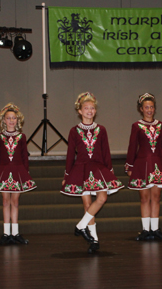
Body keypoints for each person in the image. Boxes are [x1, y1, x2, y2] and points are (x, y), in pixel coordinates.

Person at [61, 92, 124, 254]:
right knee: (88, 205)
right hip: (81, 169)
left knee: (102, 198)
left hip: (98, 169)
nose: (89, 110)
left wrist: (110, 170)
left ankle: (80, 226)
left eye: (92, 108)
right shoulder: (74, 131)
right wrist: (67, 175)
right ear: (80, 111)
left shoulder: (101, 129)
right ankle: (94, 240)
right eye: (86, 108)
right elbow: (70, 155)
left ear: (95, 111)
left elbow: (105, 152)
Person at [125, 93, 162, 241]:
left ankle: (155, 229)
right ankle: (145, 230)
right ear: (141, 109)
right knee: (144, 197)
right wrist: (130, 166)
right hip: (142, 164)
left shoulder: (160, 125)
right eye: (146, 107)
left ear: (154, 109)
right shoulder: (136, 126)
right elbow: (132, 147)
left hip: (158, 164)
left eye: (151, 107)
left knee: (156, 196)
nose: (149, 109)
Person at [0, 103, 37, 246]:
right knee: (5, 201)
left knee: (15, 201)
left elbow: (24, 157)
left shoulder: (21, 136)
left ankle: (15, 232)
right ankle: (6, 233)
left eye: (14, 118)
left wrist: (25, 173)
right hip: (3, 171)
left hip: (18, 171)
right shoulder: (0, 137)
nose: (11, 121)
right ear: (4, 121)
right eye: (9, 118)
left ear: (18, 120)